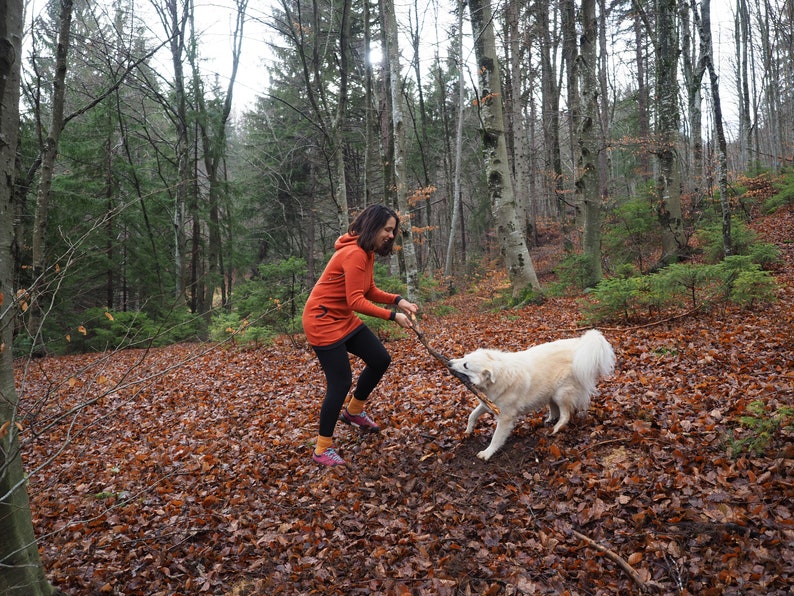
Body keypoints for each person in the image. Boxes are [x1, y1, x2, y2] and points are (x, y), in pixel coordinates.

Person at [302, 205, 419, 467]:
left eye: (393, 231)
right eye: (387, 229)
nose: (391, 235)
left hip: (342, 318)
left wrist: (398, 301)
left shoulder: (366, 252)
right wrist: (392, 317)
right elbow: (355, 300)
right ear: (373, 226)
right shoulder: (354, 253)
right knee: (340, 382)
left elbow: (368, 290)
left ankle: (353, 412)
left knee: (379, 359)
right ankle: (322, 449)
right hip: (322, 321)